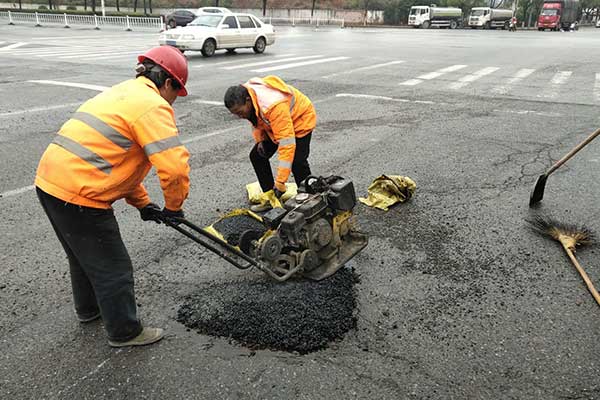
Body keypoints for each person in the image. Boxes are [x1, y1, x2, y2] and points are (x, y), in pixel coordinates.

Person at [34, 45, 191, 347]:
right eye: (177, 91)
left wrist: (144, 204)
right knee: (114, 267)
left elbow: (115, 163)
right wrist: (174, 208)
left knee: (82, 257)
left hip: (50, 182)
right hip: (79, 195)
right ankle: (124, 331)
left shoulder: (123, 93)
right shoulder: (152, 105)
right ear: (168, 82)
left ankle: (89, 311)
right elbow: (173, 168)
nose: (175, 99)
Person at [224, 76, 317, 212]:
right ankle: (271, 198)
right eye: (235, 114)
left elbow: (287, 145)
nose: (239, 116)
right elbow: (257, 119)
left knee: (297, 161)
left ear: (247, 101)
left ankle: (310, 200)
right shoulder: (248, 95)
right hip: (275, 124)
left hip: (299, 120)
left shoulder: (273, 105)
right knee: (257, 155)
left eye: (239, 112)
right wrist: (261, 140)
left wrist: (280, 183)